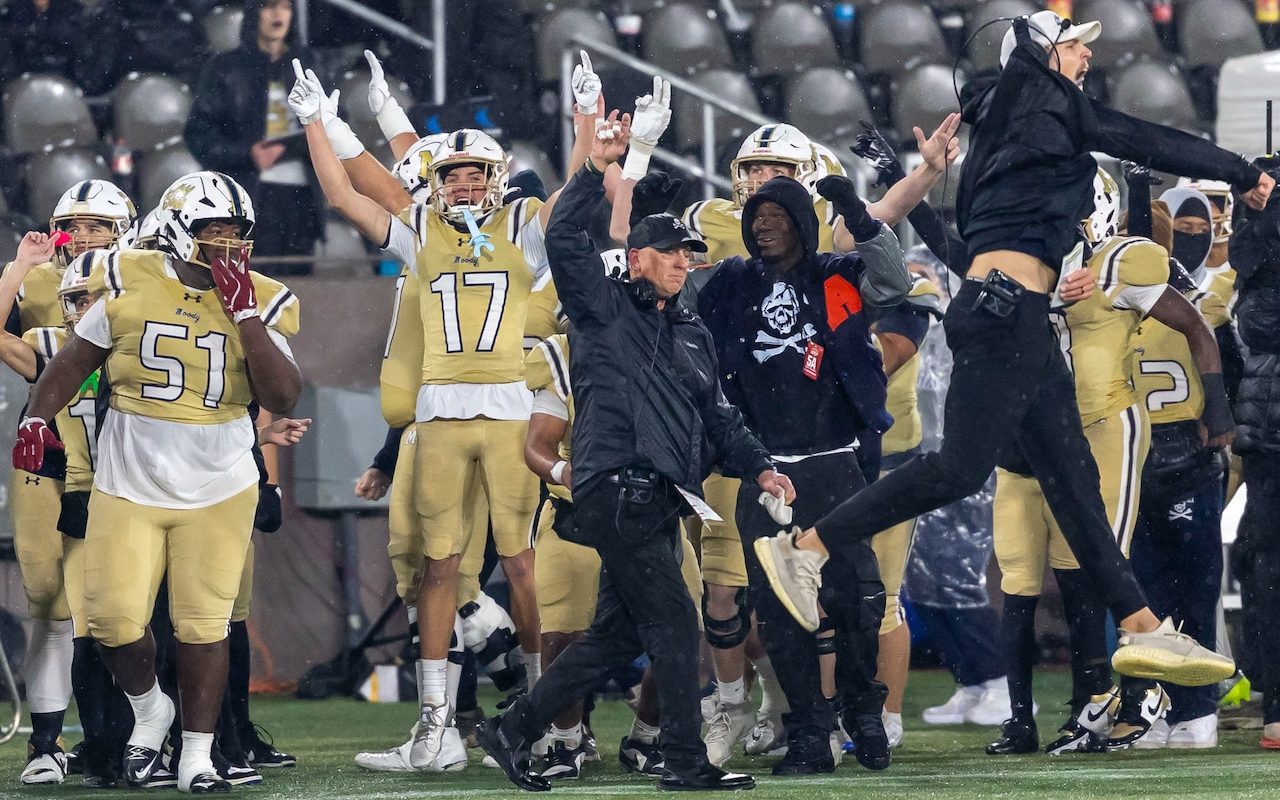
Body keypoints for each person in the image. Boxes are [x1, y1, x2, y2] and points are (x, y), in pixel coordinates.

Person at [752, 10, 1273, 691]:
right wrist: (1239, 171)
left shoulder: (1005, 133)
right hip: (1006, 317)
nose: (1086, 58)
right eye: (1074, 47)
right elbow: (1135, 136)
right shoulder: (1045, 96)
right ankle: (805, 547)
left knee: (1074, 485)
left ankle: (1143, 627)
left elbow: (976, 247)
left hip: (1014, 315)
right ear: (1038, 52)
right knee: (958, 471)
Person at [479, 89, 794, 793]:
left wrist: (762, 469)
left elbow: (719, 417)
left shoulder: (690, 333)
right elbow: (564, 239)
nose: (686, 264)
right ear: (639, 257)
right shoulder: (600, 310)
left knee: (617, 638)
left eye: (691, 256)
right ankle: (685, 762)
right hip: (618, 484)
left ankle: (513, 728)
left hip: (660, 494)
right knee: (678, 629)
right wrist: (597, 167)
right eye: (674, 254)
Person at [291, 54, 596, 771]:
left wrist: (586, 118)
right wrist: (313, 123)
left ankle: (535, 718)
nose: (464, 184)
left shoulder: (523, 224)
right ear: (434, 183)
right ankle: (437, 729)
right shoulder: (420, 230)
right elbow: (342, 192)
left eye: (475, 174)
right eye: (452, 175)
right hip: (437, 421)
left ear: (498, 179)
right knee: (439, 570)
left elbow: (580, 190)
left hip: (510, 415)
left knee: (522, 567)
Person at [14, 170, 302, 793]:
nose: (226, 244)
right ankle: (152, 709)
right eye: (212, 231)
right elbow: (70, 363)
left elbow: (282, 392)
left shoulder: (264, 295)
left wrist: (244, 313)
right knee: (114, 621)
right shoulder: (124, 278)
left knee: (204, 626)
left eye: (235, 232)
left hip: (220, 482)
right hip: (129, 476)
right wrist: (36, 420)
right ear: (177, 231)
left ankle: (197, 754)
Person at [988, 168, 1232, 756]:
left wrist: (1219, 410)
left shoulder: (1123, 259)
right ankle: (1095, 702)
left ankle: (1141, 694)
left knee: (1111, 563)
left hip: (1113, 424)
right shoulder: (1034, 259)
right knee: (1074, 568)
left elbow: (1196, 325)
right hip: (1054, 432)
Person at [694, 167, 911, 774]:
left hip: (835, 463)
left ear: (803, 226)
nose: (762, 229)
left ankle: (864, 714)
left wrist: (864, 221)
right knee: (781, 613)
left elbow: (893, 285)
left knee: (856, 599)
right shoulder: (730, 281)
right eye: (755, 220)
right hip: (762, 472)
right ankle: (810, 733)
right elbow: (667, 294)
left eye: (776, 218)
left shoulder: (835, 275)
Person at [1, 180, 135, 786]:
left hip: (116, 458)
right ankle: (47, 743)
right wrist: (20, 264)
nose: (81, 237)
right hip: (48, 454)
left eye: (96, 226)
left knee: (107, 605)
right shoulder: (40, 313)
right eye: (72, 225)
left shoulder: (139, 284)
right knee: (47, 601)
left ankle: (125, 737)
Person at [185, 0, 323, 269]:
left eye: (285, 7)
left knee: (298, 285)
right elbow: (199, 135)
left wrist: (295, 147)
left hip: (303, 194)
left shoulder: (308, 64)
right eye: (269, 6)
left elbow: (333, 124)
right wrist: (247, 154)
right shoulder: (226, 67)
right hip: (248, 195)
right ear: (253, 14)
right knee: (251, 278)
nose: (278, 14)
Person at [1228, 155, 1280, 751]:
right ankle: (1274, 703)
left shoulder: (1252, 274)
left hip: (1264, 434)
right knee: (1264, 567)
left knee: (1265, 566)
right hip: (1267, 438)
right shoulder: (1256, 270)